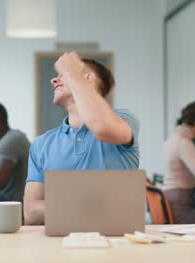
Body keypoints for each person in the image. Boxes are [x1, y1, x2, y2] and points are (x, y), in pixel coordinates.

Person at [24, 52, 140, 225]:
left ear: (87, 78)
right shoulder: (41, 144)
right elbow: (31, 213)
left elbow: (101, 126)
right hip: (59, 245)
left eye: (62, 76)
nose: (53, 81)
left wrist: (72, 72)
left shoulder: (123, 118)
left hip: (116, 243)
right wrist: (96, 204)